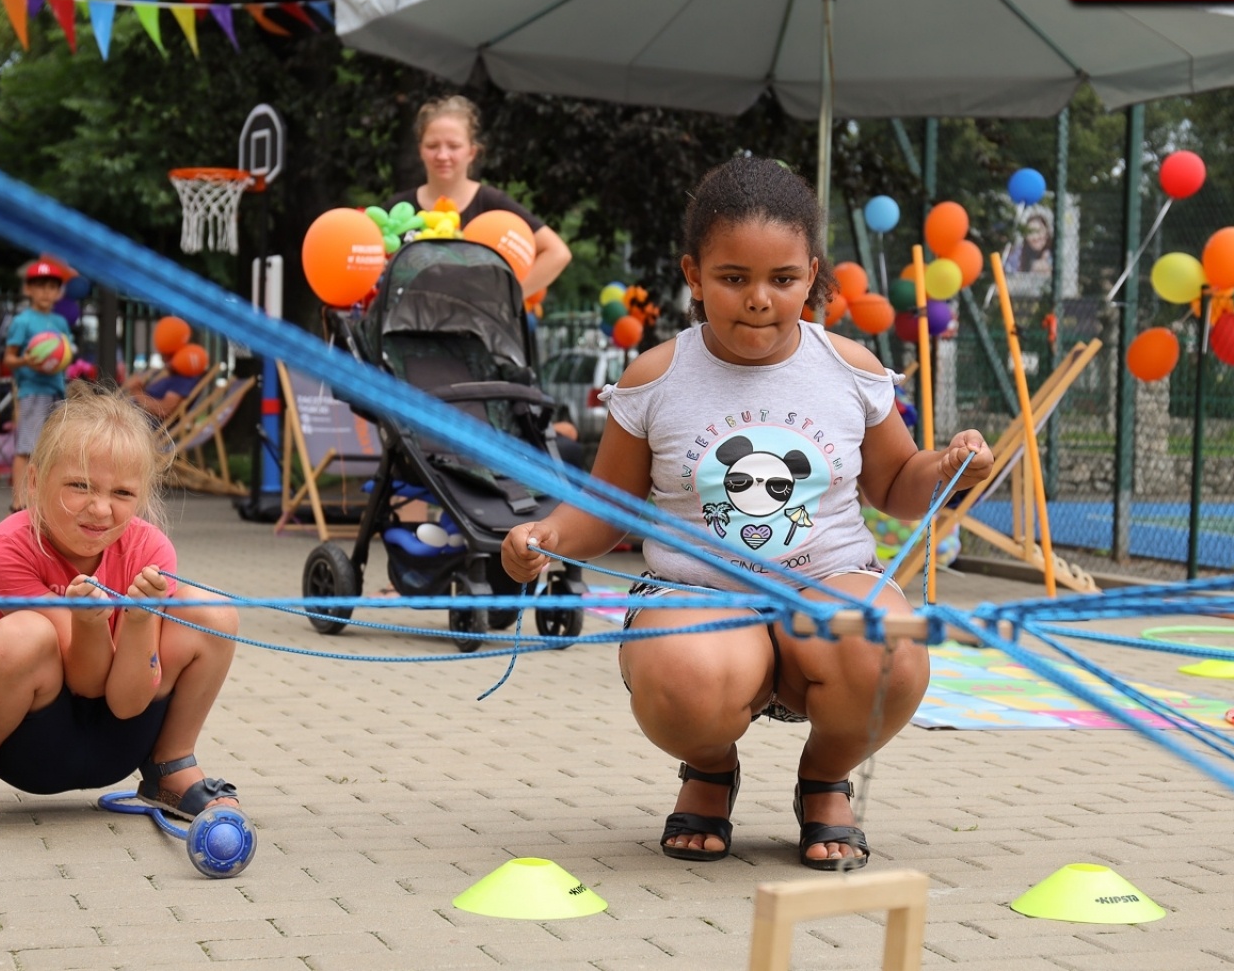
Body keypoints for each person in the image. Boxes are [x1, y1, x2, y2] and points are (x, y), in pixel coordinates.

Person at [502, 158, 994, 871]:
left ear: (812, 275)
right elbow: (606, 510)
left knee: (887, 647)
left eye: (783, 279)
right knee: (684, 677)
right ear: (693, 275)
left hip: (827, 586)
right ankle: (709, 768)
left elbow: (897, 485)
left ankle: (825, 779)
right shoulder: (655, 377)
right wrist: (547, 536)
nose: (759, 299)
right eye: (733, 278)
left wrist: (948, 468)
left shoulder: (851, 368)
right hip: (697, 597)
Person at [0, 384, 240, 839]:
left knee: (213, 612)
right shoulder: (7, 549)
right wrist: (89, 622)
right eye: (80, 486)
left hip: (125, 732)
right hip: (31, 740)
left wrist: (139, 619)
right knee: (23, 634)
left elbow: (127, 700)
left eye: (123, 494)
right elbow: (85, 682)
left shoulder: (151, 549)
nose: (101, 509)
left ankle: (170, 768)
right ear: (34, 482)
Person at [386, 95, 572, 297]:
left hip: (475, 327)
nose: (442, 155)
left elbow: (557, 252)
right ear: (420, 150)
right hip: (407, 325)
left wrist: (507, 300)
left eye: (454, 146)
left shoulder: (492, 203)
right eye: (432, 146)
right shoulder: (399, 208)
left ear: (472, 152)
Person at [3, 259, 75, 514]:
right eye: (40, 286)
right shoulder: (23, 321)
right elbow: (8, 358)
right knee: (26, 447)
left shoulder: (60, 322)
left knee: (53, 450)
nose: (46, 292)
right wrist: (27, 360)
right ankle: (18, 503)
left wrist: (61, 358)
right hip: (33, 391)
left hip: (57, 390)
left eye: (51, 287)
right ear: (29, 290)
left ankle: (44, 501)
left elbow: (65, 353)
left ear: (58, 292)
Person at [124, 366, 203, 424]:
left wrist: (137, 392)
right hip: (132, 413)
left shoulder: (184, 381)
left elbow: (164, 410)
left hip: (140, 420)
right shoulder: (170, 376)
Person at [1002, 205, 1054, 278]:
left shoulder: (1055, 253)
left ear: (1047, 233)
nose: (1035, 237)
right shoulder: (1018, 254)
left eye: (1039, 231)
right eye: (1031, 233)